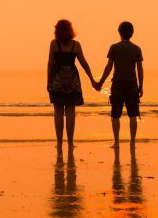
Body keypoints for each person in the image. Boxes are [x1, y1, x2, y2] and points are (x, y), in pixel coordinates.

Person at [47, 19, 97, 150]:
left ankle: (59, 143)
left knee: (58, 111)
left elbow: (50, 64)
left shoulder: (54, 44)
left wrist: (48, 81)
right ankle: (70, 143)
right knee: (70, 111)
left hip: (57, 79)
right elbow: (84, 63)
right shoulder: (76, 45)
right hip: (72, 80)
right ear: (70, 30)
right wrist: (92, 79)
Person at [93, 21, 144, 149]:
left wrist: (100, 82)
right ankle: (132, 142)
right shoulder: (136, 49)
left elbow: (108, 67)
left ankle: (116, 142)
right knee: (133, 115)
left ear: (119, 32)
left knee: (115, 115)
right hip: (132, 84)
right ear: (132, 33)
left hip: (117, 84)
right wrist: (141, 86)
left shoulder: (114, 47)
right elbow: (140, 69)